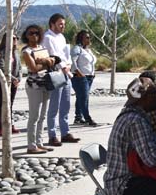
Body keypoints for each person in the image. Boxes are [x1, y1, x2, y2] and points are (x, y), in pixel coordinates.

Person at [42, 13, 80, 145]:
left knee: (66, 104)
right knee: (54, 105)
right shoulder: (47, 37)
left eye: (64, 24)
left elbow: (66, 54)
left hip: (66, 73)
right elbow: (54, 55)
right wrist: (64, 67)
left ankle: (65, 133)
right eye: (60, 24)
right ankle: (52, 135)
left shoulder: (62, 37)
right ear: (52, 24)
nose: (63, 26)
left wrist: (69, 65)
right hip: (56, 73)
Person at [21, 25, 55, 153]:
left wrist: (46, 61)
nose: (34, 35)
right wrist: (47, 61)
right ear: (26, 35)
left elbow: (53, 62)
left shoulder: (42, 48)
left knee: (42, 116)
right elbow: (34, 68)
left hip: (45, 83)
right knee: (34, 116)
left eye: (36, 33)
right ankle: (31, 145)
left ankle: (39, 143)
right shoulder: (26, 51)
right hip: (34, 85)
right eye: (31, 33)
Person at [0, 33, 21, 136]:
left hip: (14, 82)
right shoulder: (0, 52)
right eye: (13, 38)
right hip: (2, 81)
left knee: (10, 104)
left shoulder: (15, 52)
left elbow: (19, 67)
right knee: (1, 103)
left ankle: (10, 125)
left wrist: (18, 79)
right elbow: (2, 68)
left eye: (16, 38)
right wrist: (13, 79)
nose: (15, 40)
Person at [70, 30, 98, 127]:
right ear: (81, 38)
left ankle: (78, 117)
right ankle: (87, 118)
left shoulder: (88, 50)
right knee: (84, 98)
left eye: (89, 37)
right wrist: (78, 72)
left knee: (80, 97)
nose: (89, 39)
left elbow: (90, 62)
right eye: (87, 37)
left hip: (89, 77)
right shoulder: (77, 49)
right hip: (80, 77)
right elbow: (72, 62)